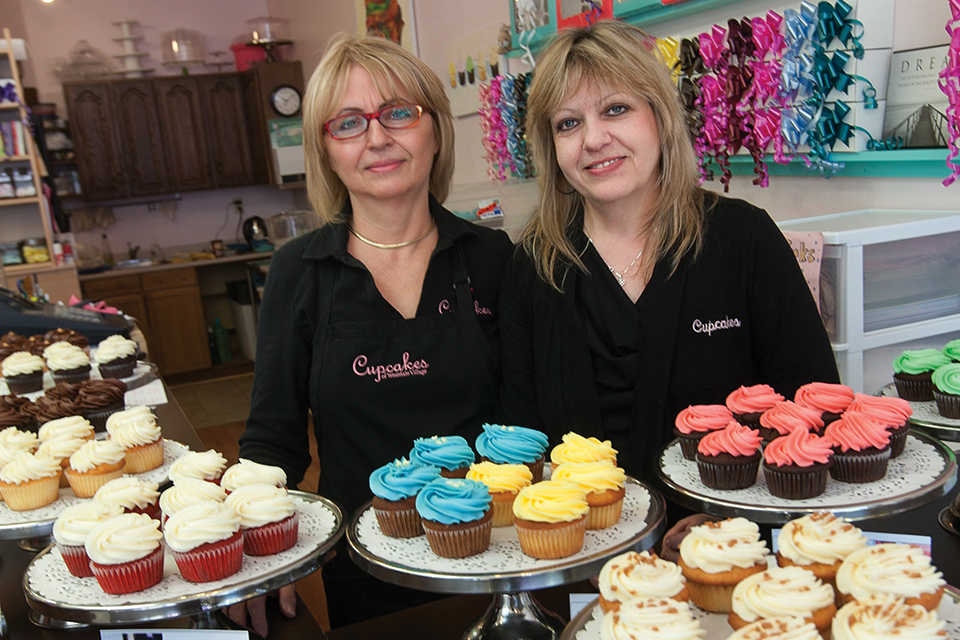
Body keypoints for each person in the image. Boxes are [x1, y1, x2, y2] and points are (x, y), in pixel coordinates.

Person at [496, 21, 840, 558]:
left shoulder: (742, 239)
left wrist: (735, 522)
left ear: (659, 115)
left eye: (615, 109)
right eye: (568, 123)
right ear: (552, 148)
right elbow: (519, 447)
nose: (593, 139)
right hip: (582, 563)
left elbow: (812, 410)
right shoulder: (534, 267)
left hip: (739, 556)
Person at [233, 33, 513, 632]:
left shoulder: (492, 258)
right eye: (349, 123)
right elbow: (271, 440)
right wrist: (250, 552)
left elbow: (532, 415)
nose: (378, 138)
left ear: (434, 129)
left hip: (498, 558)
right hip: (366, 572)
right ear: (326, 150)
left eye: (398, 113)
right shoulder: (299, 271)